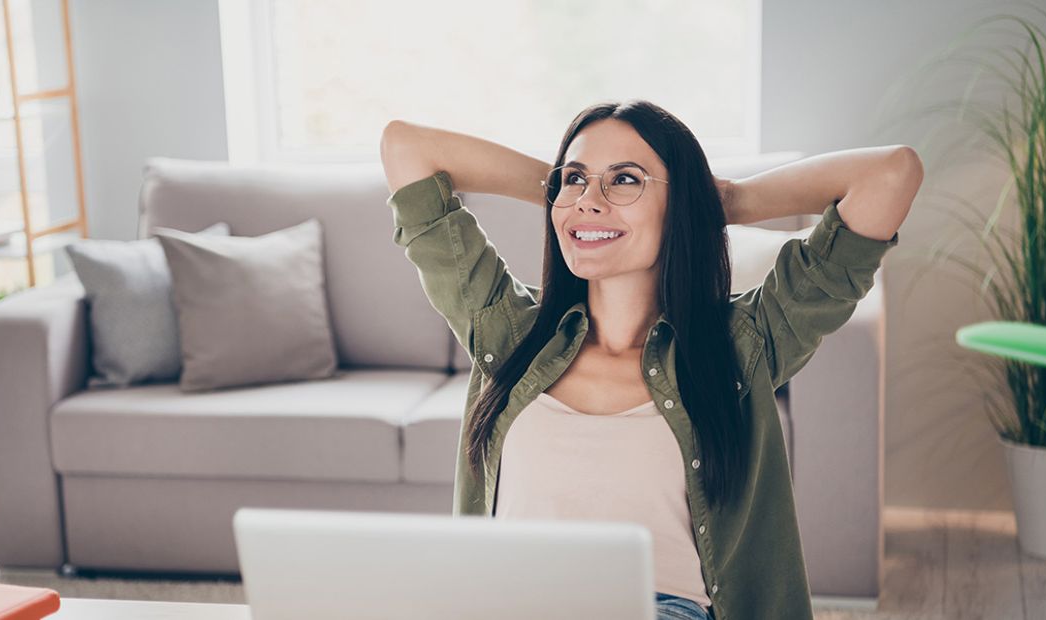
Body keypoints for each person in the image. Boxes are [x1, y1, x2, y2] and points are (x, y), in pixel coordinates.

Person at [380, 99, 922, 620]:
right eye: (575, 177)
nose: (590, 199)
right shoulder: (506, 327)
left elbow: (891, 174)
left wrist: (722, 202)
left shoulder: (744, 344)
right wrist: (568, 192)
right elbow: (406, 148)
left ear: (679, 204)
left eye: (625, 179)